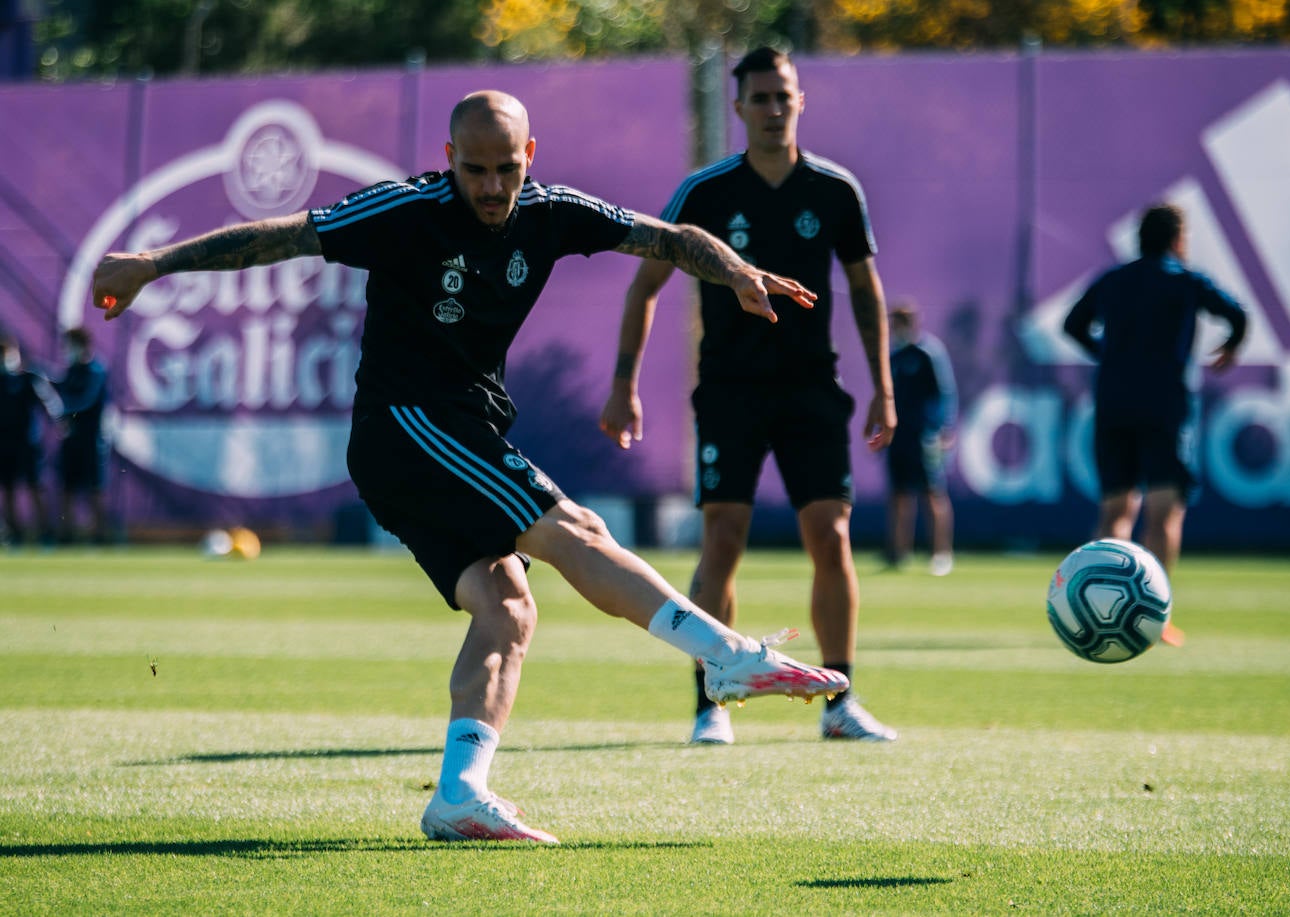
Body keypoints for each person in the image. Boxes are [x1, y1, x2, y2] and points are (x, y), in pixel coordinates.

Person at [92, 90, 849, 845]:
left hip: (456, 428)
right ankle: (725, 657)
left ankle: (459, 792)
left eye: (505, 170)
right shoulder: (404, 211)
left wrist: (737, 272)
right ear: (450, 159)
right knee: (574, 528)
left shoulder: (552, 212)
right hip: (407, 424)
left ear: (530, 157)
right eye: (475, 169)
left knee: (508, 604)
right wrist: (153, 264)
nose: (490, 187)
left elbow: (672, 237)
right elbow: (282, 236)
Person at [600, 47, 897, 745]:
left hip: (812, 390)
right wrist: (624, 384)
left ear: (801, 102)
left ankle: (840, 699)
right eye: (759, 98)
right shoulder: (705, 194)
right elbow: (645, 288)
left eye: (783, 97)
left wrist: (884, 387)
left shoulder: (834, 191)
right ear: (737, 108)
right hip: (730, 391)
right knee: (723, 540)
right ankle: (711, 702)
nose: (772, 109)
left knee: (831, 535)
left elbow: (864, 290)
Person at [1063, 203, 1246, 645]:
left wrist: (1107, 353)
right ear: (1177, 239)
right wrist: (1229, 348)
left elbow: (1074, 324)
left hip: (1114, 402)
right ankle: (1156, 617)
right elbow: (1236, 315)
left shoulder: (1114, 280)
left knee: (1115, 510)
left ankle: (1094, 609)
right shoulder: (1185, 280)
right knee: (1164, 512)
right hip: (1165, 405)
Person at [884, 302, 957, 575]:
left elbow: (944, 394)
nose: (894, 328)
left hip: (924, 436)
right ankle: (898, 553)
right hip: (898, 435)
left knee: (932, 493)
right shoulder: (893, 355)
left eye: (898, 322)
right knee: (899, 495)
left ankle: (941, 554)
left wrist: (942, 429)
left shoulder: (927, 353)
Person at [0, 333, 62, 546]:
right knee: (7, 489)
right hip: (4, 444)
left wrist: (60, 422)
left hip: (27, 444)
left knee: (35, 487)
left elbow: (50, 403)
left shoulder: (29, 378)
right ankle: (14, 533)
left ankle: (46, 533)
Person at [53, 327, 110, 544]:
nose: (67, 350)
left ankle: (100, 534)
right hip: (71, 439)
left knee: (95, 488)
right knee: (67, 487)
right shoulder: (70, 371)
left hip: (92, 439)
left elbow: (86, 400)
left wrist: (64, 410)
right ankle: (66, 534)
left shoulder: (96, 370)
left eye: (71, 345)